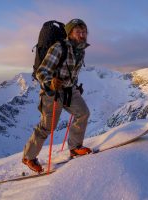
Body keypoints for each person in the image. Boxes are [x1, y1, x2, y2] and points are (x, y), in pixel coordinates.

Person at [22, 19, 91, 172]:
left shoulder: (81, 50)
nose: (82, 35)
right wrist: (50, 83)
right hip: (52, 91)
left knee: (83, 113)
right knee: (47, 127)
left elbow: (72, 71)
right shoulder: (59, 48)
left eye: (84, 32)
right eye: (78, 32)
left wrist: (75, 86)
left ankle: (75, 147)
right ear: (70, 33)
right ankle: (28, 156)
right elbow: (41, 72)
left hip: (69, 90)